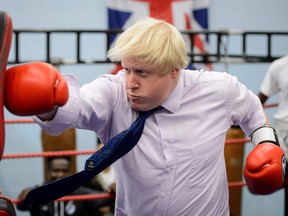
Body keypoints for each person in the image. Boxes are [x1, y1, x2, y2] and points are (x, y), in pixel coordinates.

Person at [3, 17, 287, 216]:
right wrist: (47, 102)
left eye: (142, 73)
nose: (130, 82)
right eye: (127, 69)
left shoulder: (217, 90)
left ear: (174, 70)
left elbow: (252, 110)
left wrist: (267, 145)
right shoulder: (114, 92)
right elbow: (77, 107)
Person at [16, 156, 114, 216]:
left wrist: (114, 191)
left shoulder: (80, 193)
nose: (60, 175)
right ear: (49, 172)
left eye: (64, 171)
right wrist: (24, 195)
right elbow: (20, 206)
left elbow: (105, 198)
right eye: (56, 170)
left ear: (70, 173)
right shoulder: (38, 192)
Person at [258, 55, 288, 159]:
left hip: (283, 127)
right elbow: (261, 97)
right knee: (283, 168)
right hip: (284, 126)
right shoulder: (279, 66)